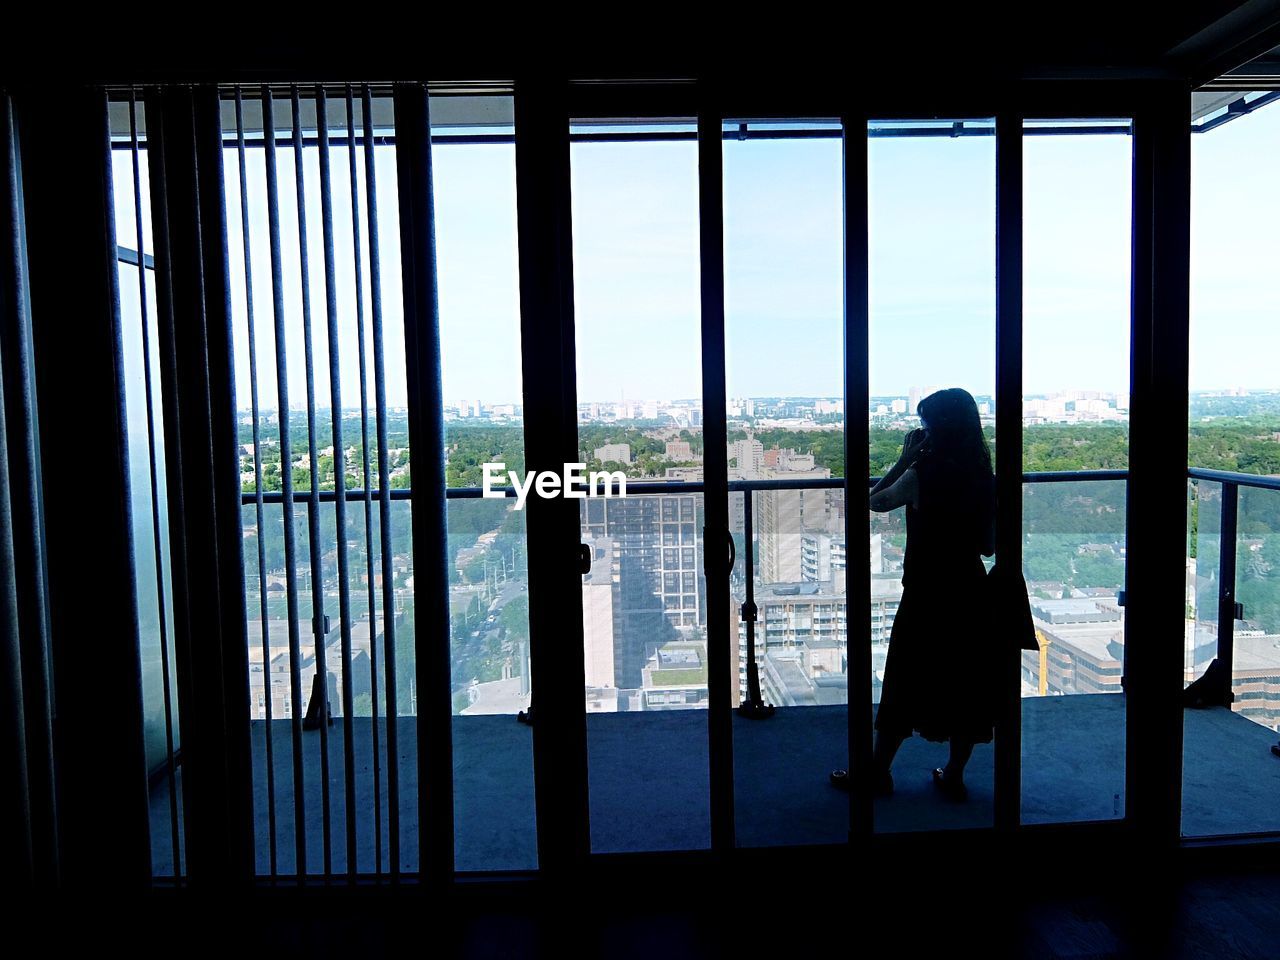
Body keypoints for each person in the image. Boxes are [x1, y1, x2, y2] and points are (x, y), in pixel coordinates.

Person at [830, 387, 997, 802]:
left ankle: (877, 772)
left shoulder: (923, 474)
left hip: (926, 590)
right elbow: (988, 545)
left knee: (905, 679)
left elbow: (873, 502)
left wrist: (906, 458)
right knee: (967, 683)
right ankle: (954, 774)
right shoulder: (985, 476)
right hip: (970, 589)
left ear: (935, 429)